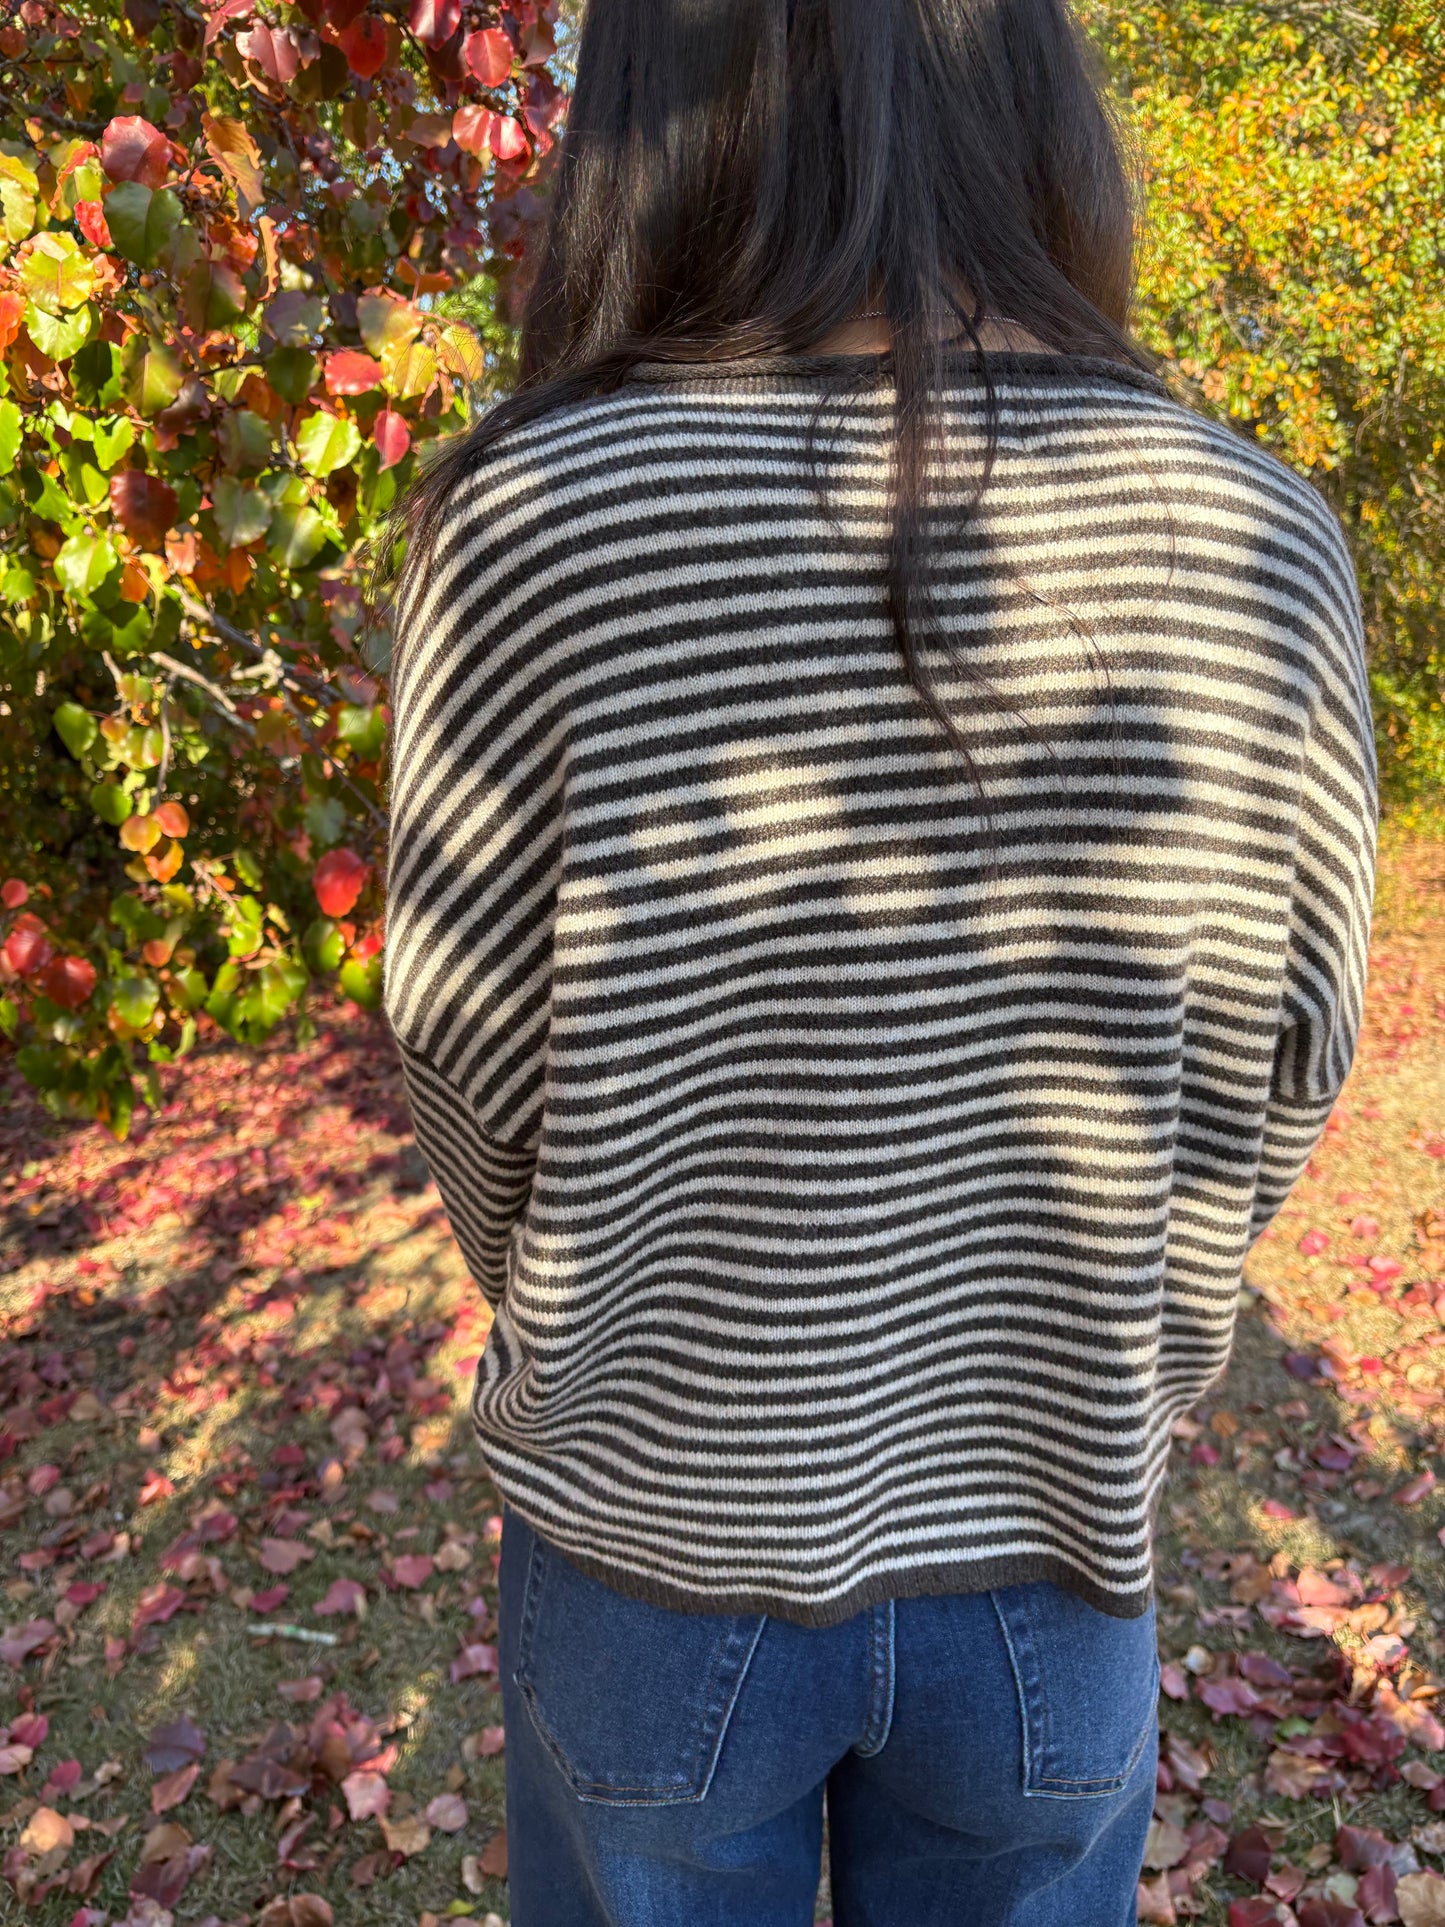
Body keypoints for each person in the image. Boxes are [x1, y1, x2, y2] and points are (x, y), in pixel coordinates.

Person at [382, 0, 1377, 1920]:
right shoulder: (1255, 539)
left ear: (651, 108)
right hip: (1051, 1550)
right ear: (1030, 99)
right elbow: (1284, 1056)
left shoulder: (535, 519)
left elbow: (467, 1062)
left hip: (652, 1558)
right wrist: (1139, 1339)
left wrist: (626, 1322)